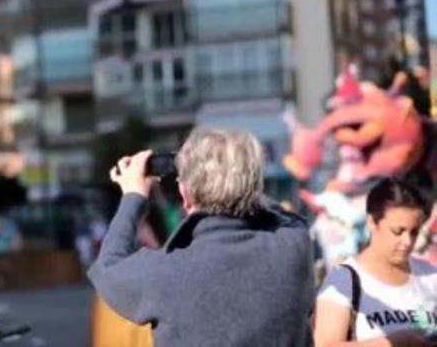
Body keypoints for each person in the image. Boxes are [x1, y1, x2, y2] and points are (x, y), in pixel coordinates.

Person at [88, 127, 314, 346]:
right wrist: (240, 178)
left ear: (185, 194)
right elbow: (285, 216)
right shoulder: (293, 246)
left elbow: (108, 265)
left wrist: (133, 196)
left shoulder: (165, 273)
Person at [314, 178, 437, 345]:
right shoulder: (343, 281)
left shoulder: (430, 275)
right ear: (372, 222)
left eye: (414, 232)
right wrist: (391, 342)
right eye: (398, 231)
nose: (407, 241)